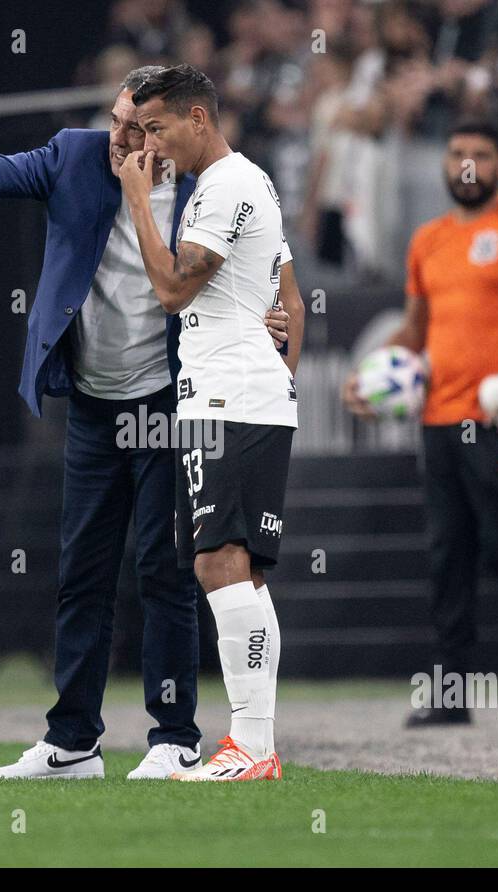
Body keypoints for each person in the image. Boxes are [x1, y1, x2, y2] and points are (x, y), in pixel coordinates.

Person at [0, 66, 293, 781]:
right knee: (81, 573)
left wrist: (272, 322)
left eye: (142, 126)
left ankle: (174, 736)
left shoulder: (202, 183)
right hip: (92, 401)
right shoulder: (73, 155)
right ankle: (72, 741)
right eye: (120, 122)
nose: (126, 138)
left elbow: (245, 269)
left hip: (166, 403)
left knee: (164, 570)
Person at [341, 118, 498, 727]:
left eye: (481, 154)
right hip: (438, 415)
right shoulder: (428, 240)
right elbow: (415, 331)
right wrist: (370, 375)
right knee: (447, 554)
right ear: (444, 163)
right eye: (457, 153)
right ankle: (451, 695)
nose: (467, 165)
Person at [121, 64, 306, 782]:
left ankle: (251, 747)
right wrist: (277, 378)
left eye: (158, 128)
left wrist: (139, 201)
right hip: (240, 394)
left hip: (227, 399)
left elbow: (170, 290)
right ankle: (253, 744)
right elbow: (292, 300)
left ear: (198, 118)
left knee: (218, 563)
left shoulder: (223, 186)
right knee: (240, 571)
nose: (152, 145)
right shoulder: (251, 181)